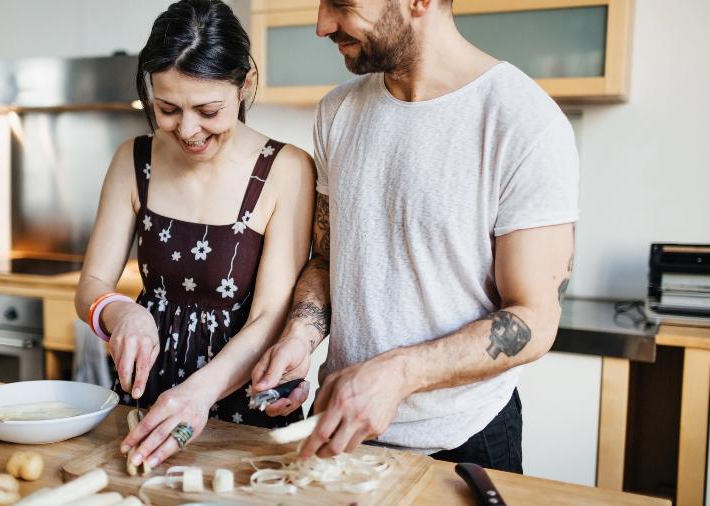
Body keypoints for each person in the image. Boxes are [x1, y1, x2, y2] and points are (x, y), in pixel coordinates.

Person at [251, 0, 578, 473]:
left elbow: (534, 320)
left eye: (341, 4)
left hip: (466, 441)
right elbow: (327, 259)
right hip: (344, 430)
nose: (322, 25)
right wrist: (301, 336)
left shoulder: (522, 122)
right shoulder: (337, 110)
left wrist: (399, 374)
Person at [75, 0, 314, 470]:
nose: (187, 130)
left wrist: (199, 394)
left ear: (244, 84)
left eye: (208, 110)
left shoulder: (286, 169)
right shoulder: (133, 159)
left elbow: (270, 314)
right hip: (147, 402)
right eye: (167, 109)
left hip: (244, 404)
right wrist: (122, 313)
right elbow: (90, 286)